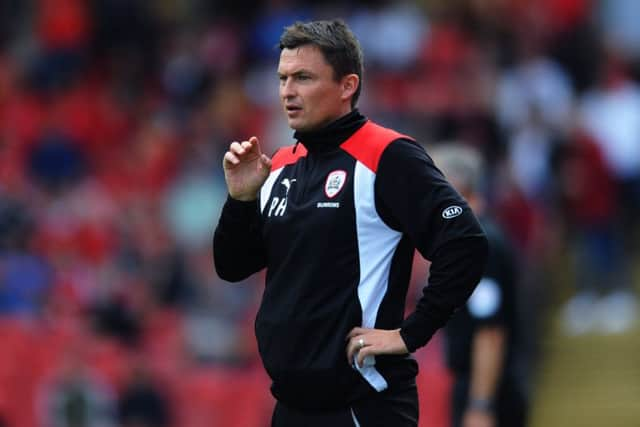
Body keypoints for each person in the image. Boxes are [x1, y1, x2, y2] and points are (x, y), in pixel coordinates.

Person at [213, 20, 488, 427]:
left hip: (362, 404)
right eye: (283, 78)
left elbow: (465, 241)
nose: (288, 91)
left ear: (347, 86)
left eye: (303, 77)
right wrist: (240, 200)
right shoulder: (282, 164)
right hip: (290, 407)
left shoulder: (387, 154)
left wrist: (410, 333)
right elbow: (232, 267)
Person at [431, 144, 527, 427]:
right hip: (478, 385)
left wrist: (480, 404)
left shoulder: (478, 244)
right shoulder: (469, 237)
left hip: (489, 390)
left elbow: (490, 330)